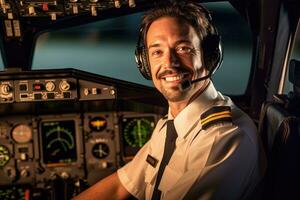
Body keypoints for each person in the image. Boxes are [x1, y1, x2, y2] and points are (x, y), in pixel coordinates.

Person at [74, 1, 265, 199]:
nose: (169, 63)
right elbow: (119, 188)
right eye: (157, 52)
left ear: (210, 57)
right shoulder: (171, 124)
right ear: (145, 63)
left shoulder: (222, 138)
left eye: (183, 49)